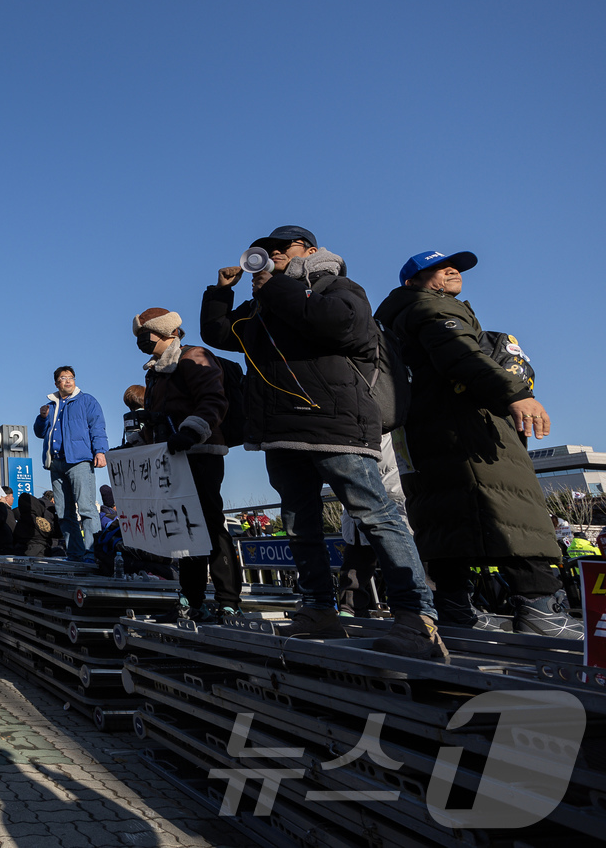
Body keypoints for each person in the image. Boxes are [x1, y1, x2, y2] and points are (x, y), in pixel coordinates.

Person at [201, 225, 446, 660]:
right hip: (282, 431)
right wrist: (220, 293)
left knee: (374, 514)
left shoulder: (337, 285)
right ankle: (318, 609)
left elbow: (345, 326)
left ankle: (416, 617)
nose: (271, 254)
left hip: (335, 422)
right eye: (265, 250)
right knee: (300, 523)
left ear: (310, 250)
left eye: (282, 248)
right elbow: (221, 335)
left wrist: (275, 289)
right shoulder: (265, 303)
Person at [375, 250, 580, 638]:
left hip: (425, 433)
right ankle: (540, 611)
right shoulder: (431, 308)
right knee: (514, 510)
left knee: (444, 518)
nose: (452, 270)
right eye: (437, 268)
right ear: (412, 282)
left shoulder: (395, 320)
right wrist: (514, 393)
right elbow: (461, 354)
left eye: (456, 266)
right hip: (466, 429)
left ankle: (455, 608)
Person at [133, 307, 243, 622]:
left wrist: (192, 430)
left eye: (145, 334)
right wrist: (142, 438)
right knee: (185, 528)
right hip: (173, 455)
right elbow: (163, 414)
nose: (142, 341)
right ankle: (191, 598)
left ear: (167, 331)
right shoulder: (154, 371)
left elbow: (213, 399)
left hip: (201, 450)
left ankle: (228, 600)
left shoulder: (193, 357)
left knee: (209, 522)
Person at [34, 366, 108, 560]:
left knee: (86, 508)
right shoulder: (51, 405)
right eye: (63, 378)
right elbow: (40, 432)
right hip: (56, 463)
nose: (67, 381)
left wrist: (100, 451)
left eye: (70, 377)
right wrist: (42, 418)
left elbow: (97, 427)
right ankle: (75, 553)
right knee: (63, 512)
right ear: (56, 383)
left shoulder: (87, 401)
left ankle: (93, 552)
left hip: (80, 461)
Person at [12, 492, 56, 557]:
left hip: (21, 553)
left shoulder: (20, 521)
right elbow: (50, 532)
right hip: (39, 553)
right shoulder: (38, 520)